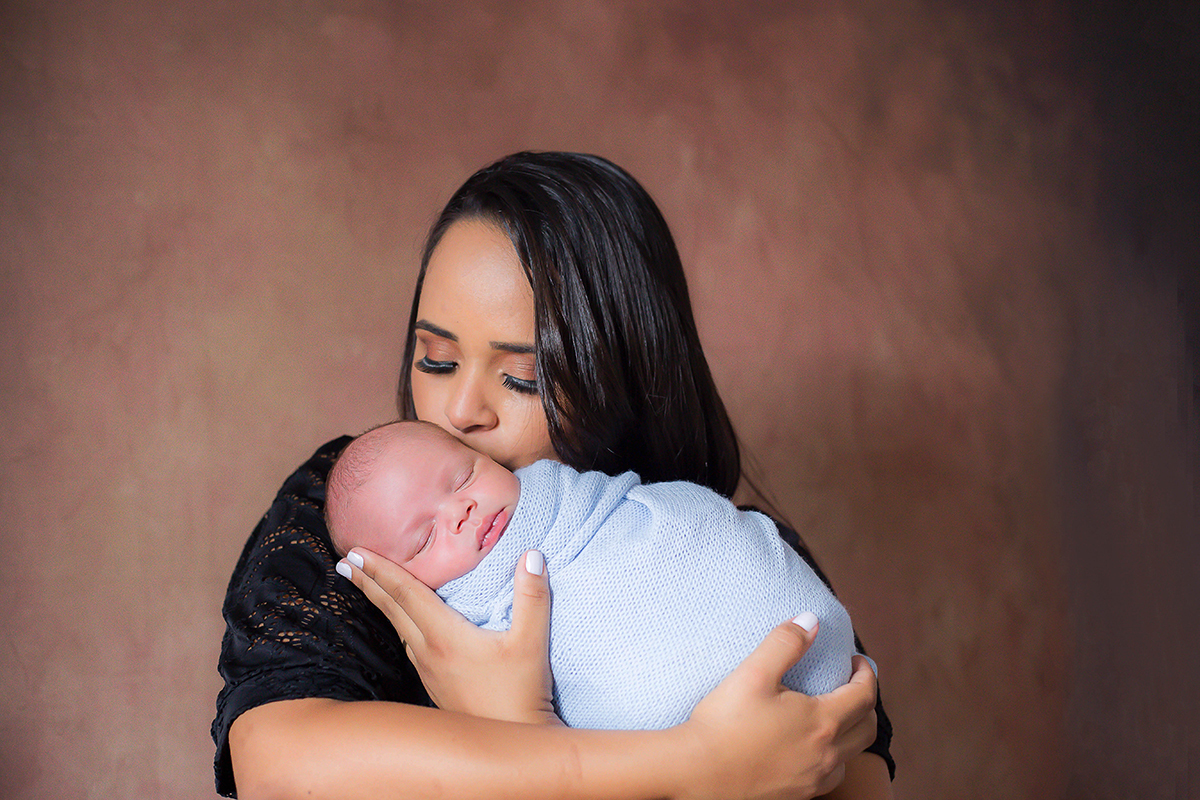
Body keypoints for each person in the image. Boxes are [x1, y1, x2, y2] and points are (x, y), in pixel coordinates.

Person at [213, 151, 894, 799]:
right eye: (436, 360)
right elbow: (279, 767)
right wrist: (689, 763)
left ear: (626, 375)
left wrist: (536, 740)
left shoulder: (729, 555)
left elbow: (852, 770)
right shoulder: (363, 518)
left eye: (521, 377)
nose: (461, 411)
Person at [326, 419, 862, 730]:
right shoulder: (458, 630)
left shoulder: (571, 492)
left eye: (463, 475)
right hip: (674, 732)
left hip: (798, 644)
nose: (460, 511)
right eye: (424, 539)